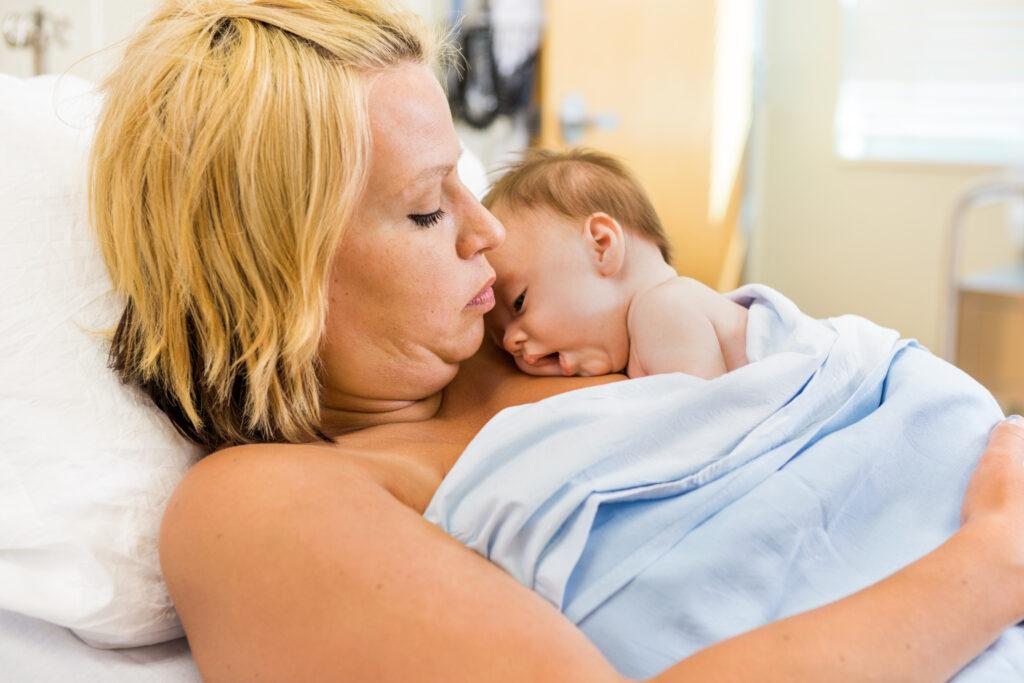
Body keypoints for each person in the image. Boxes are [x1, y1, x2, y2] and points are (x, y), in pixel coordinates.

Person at [87, 1, 1024, 681]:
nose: (485, 231)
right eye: (424, 210)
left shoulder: (539, 332)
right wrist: (993, 563)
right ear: (278, 278)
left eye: (463, 183)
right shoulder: (261, 508)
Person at [482, 148, 749, 379]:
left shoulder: (663, 309)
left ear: (601, 245)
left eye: (519, 302)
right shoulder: (648, 326)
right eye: (501, 338)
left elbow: (706, 428)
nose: (510, 342)